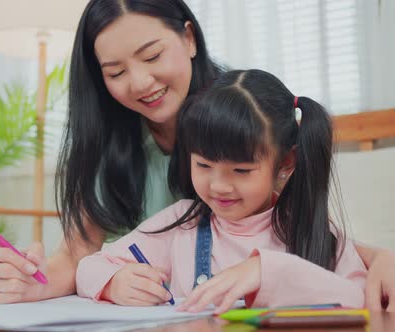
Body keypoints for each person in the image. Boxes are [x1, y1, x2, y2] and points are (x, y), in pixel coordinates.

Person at [0, 0, 395, 314]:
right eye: (115, 72)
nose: (138, 83)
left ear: (189, 38)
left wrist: (387, 259)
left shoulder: (249, 109)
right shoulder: (118, 151)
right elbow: (80, 258)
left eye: (152, 55)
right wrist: (28, 279)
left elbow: (313, 238)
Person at [77, 69, 367, 314]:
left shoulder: (310, 229)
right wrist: (115, 282)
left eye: (241, 171)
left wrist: (269, 271)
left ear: (285, 163)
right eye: (203, 165)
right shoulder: (181, 225)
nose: (218, 186)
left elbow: (361, 299)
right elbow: (89, 267)